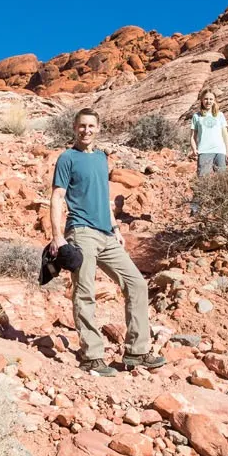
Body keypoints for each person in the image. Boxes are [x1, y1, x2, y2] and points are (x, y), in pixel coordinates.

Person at [49, 108, 166, 377]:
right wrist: (57, 237)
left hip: (106, 234)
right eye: (81, 126)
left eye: (91, 126)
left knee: (136, 284)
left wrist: (115, 227)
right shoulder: (67, 158)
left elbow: (104, 196)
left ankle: (137, 351)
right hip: (81, 233)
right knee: (85, 292)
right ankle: (92, 356)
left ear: (98, 128)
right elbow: (57, 197)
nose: (86, 130)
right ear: (74, 127)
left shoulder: (102, 158)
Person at [189, 88, 228, 175]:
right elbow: (193, 136)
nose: (208, 101)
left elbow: (225, 135)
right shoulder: (196, 116)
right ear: (201, 100)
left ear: (214, 100)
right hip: (204, 151)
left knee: (222, 180)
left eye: (211, 99)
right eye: (206, 99)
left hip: (220, 151)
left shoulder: (220, 115)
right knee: (203, 180)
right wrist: (194, 149)